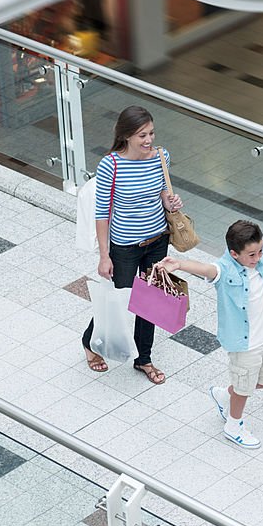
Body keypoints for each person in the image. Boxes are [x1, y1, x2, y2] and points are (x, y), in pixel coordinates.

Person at [159, 189, 263, 448]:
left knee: (260, 383)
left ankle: (224, 396)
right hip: (244, 344)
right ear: (234, 253)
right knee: (245, 388)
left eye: (258, 253)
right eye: (251, 255)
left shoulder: (259, 253)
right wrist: (179, 264)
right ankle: (234, 425)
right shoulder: (225, 270)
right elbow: (207, 269)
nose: (257, 258)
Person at [82, 105, 183, 381]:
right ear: (126, 136)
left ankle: (144, 359)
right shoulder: (111, 165)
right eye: (141, 135)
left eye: (151, 133)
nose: (148, 140)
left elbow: (162, 193)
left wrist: (171, 202)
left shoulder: (161, 156)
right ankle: (90, 342)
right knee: (117, 300)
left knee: (150, 300)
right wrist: (105, 256)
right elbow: (102, 214)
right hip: (124, 246)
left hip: (157, 239)